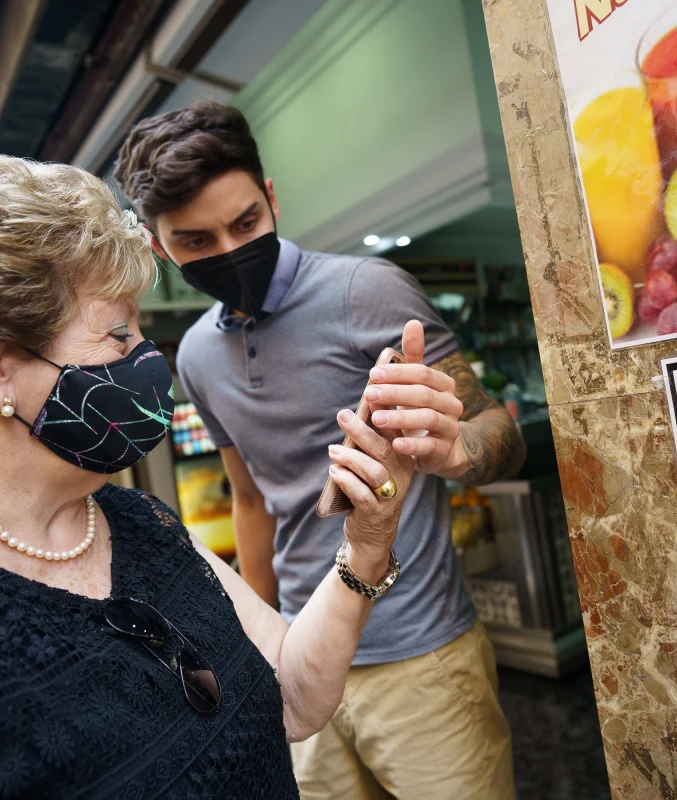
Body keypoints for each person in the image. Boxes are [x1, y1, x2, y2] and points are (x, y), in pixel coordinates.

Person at [0, 149, 417, 798]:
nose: (147, 356)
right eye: (118, 335)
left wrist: (366, 546)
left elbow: (296, 699)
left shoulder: (135, 521)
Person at [116, 101, 525, 798]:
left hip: (422, 657)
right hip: (301, 659)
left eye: (245, 224)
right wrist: (255, 649)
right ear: (161, 248)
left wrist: (459, 450)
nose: (228, 250)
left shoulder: (368, 291)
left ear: (271, 198)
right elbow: (251, 500)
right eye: (196, 241)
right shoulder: (197, 359)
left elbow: (500, 433)